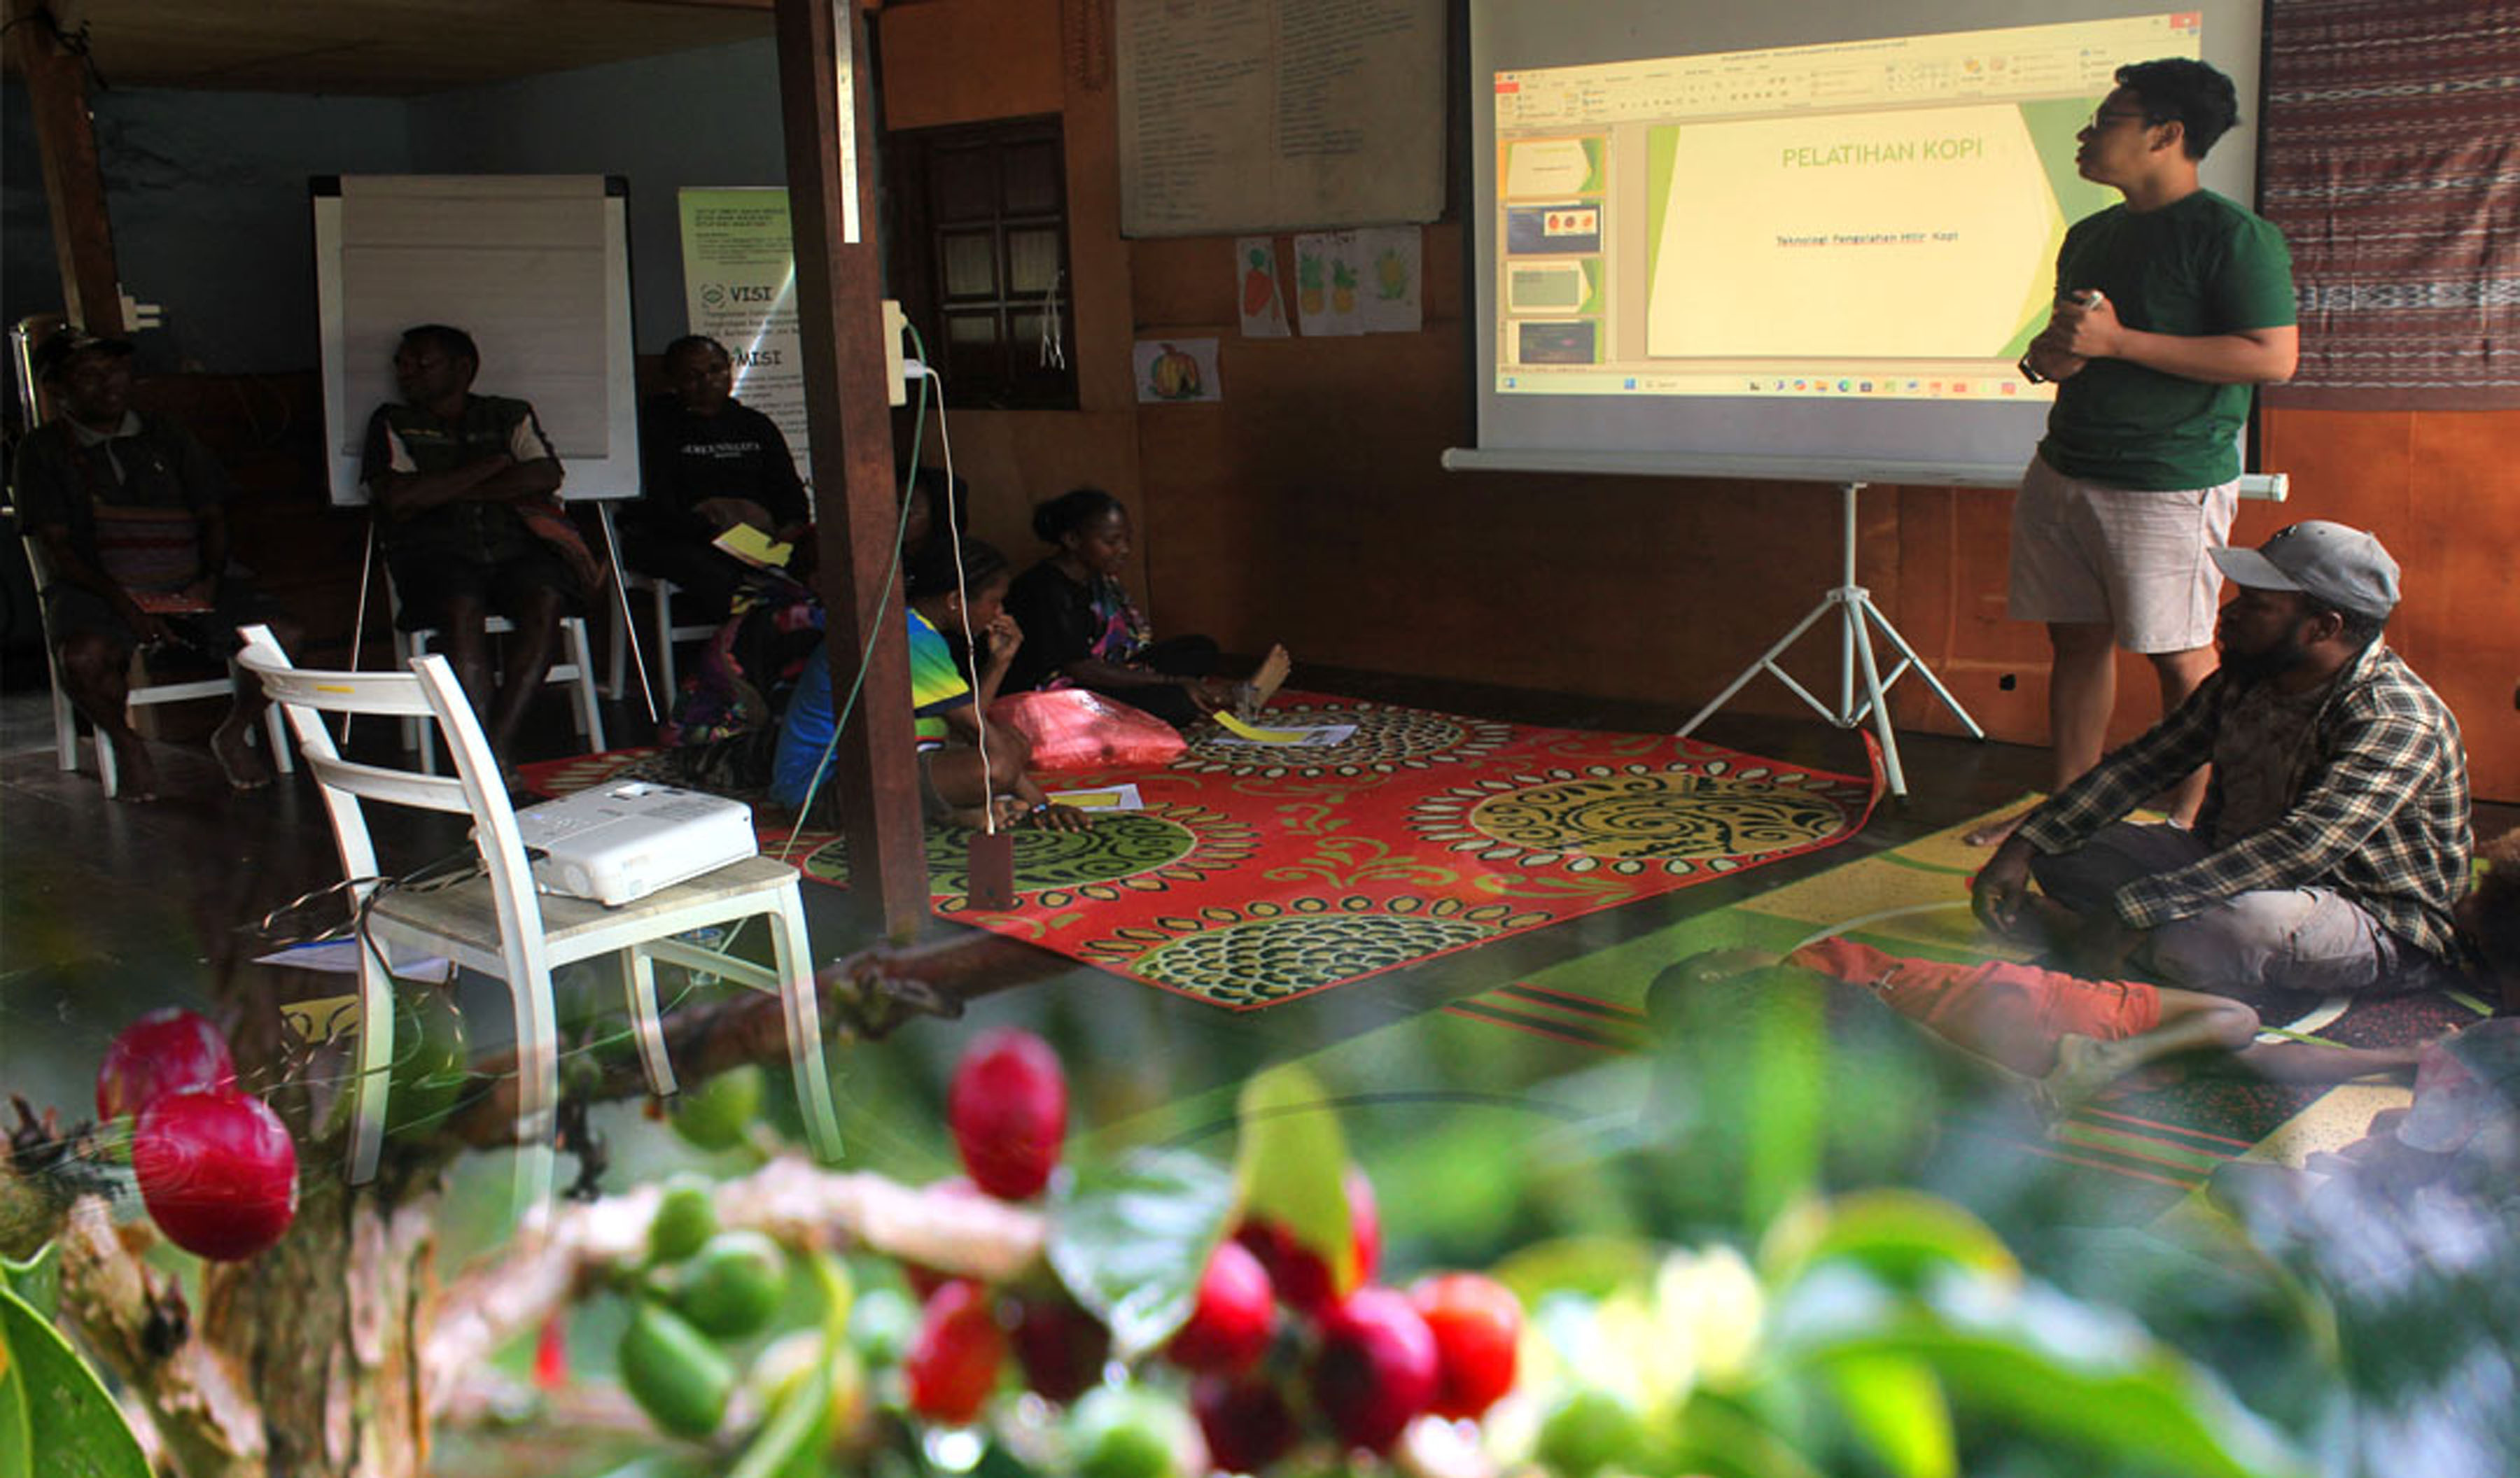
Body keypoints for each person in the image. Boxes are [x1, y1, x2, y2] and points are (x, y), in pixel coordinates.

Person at [1974, 57, 2300, 847]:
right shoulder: (2091, 234)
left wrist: (2120, 341)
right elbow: (2071, 349)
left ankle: (2184, 824)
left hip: (2166, 481)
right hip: (2065, 467)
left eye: (2106, 120)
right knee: (2075, 641)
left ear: (2167, 135)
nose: (2085, 136)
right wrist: (2055, 358)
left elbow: (2271, 357)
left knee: (2179, 656)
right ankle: (2068, 809)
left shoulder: (2234, 236)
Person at [1973, 521, 2471, 1001]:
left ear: (2323, 627)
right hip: (2234, 868)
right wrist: (2024, 846)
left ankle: (2108, 940)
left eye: (2256, 606)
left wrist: (2134, 909)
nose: (2228, 614)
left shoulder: (2395, 718)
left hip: (2367, 916)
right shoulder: (2249, 677)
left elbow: (2300, 849)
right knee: (2064, 847)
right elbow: (2142, 766)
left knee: (2237, 929)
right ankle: (2136, 947)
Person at [1654, 938, 2428, 1117]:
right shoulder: (1787, 979)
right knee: (2237, 1022)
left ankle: (2408, 1058)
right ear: (1718, 977)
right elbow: (1865, 1022)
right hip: (2038, 1017)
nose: (1735, 945)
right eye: (1719, 952)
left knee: (2229, 1051)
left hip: (2026, 1027)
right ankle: (2090, 1066)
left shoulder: (1794, 997)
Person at [12, 330, 300, 798]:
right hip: (99, 589)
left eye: (117, 372)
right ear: (56, 389)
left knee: (284, 634)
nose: (109, 386)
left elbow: (214, 514)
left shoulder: (167, 435)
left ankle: (232, 731)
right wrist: (127, 605)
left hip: (191, 578)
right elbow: (58, 550)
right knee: (82, 658)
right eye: (88, 376)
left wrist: (207, 582)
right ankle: (127, 743)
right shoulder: (41, 451)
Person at [360, 324, 603, 766]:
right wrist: (490, 467)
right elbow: (398, 497)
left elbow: (545, 475)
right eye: (402, 363)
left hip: (516, 549)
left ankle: (497, 746)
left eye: (421, 363)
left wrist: (439, 489)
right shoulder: (393, 421)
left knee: (546, 598)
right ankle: (477, 751)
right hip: (435, 552)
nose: (407, 372)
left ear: (464, 368)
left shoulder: (509, 414)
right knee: (461, 606)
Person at [769, 538, 1086, 832]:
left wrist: (1000, 661)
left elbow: (970, 724)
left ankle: (952, 812)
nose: (1000, 613)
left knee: (1013, 742)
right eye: (996, 602)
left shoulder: (913, 627)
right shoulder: (909, 636)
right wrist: (1042, 804)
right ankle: (948, 814)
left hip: (866, 772)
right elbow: (980, 736)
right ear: (956, 600)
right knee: (998, 763)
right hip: (820, 791)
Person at [1001, 487, 1288, 730]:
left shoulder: (1096, 579)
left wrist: (1164, 679)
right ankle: (1218, 695)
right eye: (1112, 541)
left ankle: (1212, 692)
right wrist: (1171, 682)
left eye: (1127, 539)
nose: (1124, 550)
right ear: (1073, 540)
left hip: (1102, 672)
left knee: (1200, 648)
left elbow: (1121, 654)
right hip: (1056, 694)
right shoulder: (1042, 589)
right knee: (1178, 703)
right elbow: (1083, 671)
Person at [623, 335, 811, 613]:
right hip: (689, 537)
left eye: (716, 370)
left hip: (761, 537)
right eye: (693, 375)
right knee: (717, 573)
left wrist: (790, 525)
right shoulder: (653, 427)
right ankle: (754, 623)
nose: (708, 381)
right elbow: (653, 505)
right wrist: (707, 525)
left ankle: (802, 622)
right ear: (673, 380)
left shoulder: (755, 425)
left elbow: (787, 488)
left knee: (819, 556)